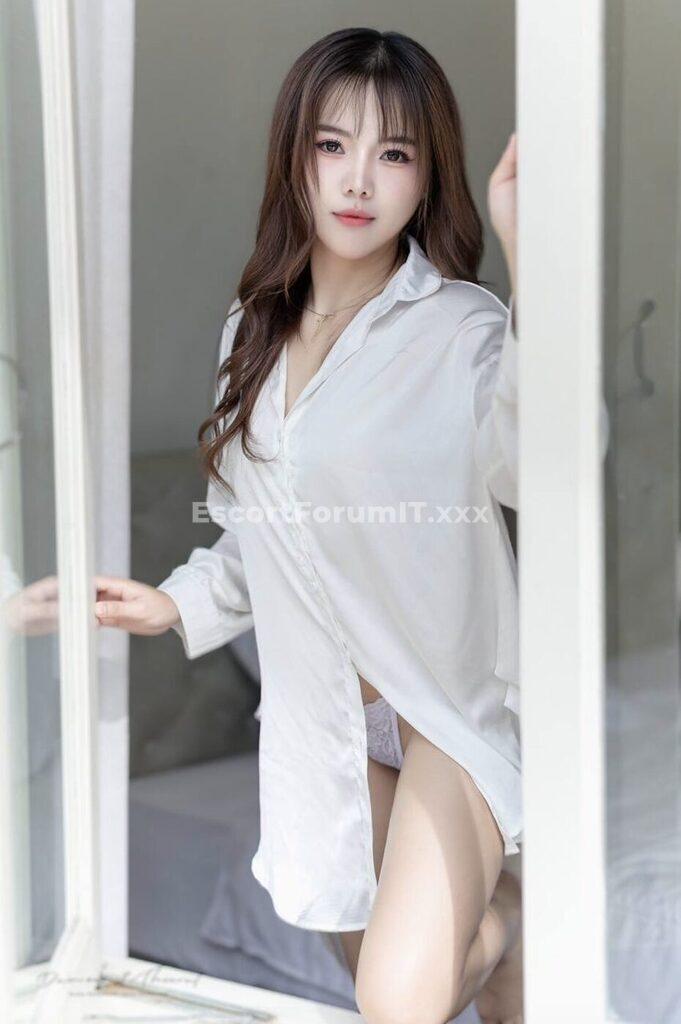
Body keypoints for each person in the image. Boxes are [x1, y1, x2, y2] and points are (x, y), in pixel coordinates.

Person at [95, 27, 523, 1024]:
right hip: (321, 717)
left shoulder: (463, 329)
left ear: (428, 176)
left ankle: (502, 919)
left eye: (394, 152)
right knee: (388, 962)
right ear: (296, 156)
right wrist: (175, 604)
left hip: (437, 712)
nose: (358, 179)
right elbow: (268, 536)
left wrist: (530, 263)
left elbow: (535, 463)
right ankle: (502, 930)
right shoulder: (250, 330)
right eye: (333, 145)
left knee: (398, 1000)